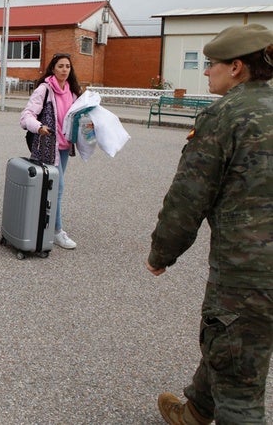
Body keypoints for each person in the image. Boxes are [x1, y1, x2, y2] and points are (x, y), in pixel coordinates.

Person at [147, 24, 273, 425]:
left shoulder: (224, 115)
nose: (206, 72)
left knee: (238, 374)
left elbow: (189, 196)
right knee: (236, 342)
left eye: (211, 65)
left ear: (236, 67)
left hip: (250, 269)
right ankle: (197, 412)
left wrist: (162, 252)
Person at [19, 53, 81, 250]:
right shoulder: (44, 90)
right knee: (58, 188)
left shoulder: (73, 93)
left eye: (67, 66)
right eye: (60, 66)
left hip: (63, 147)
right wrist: (38, 127)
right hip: (47, 148)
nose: (64, 69)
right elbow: (26, 116)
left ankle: (41, 224)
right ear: (53, 69)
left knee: (51, 190)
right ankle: (57, 232)